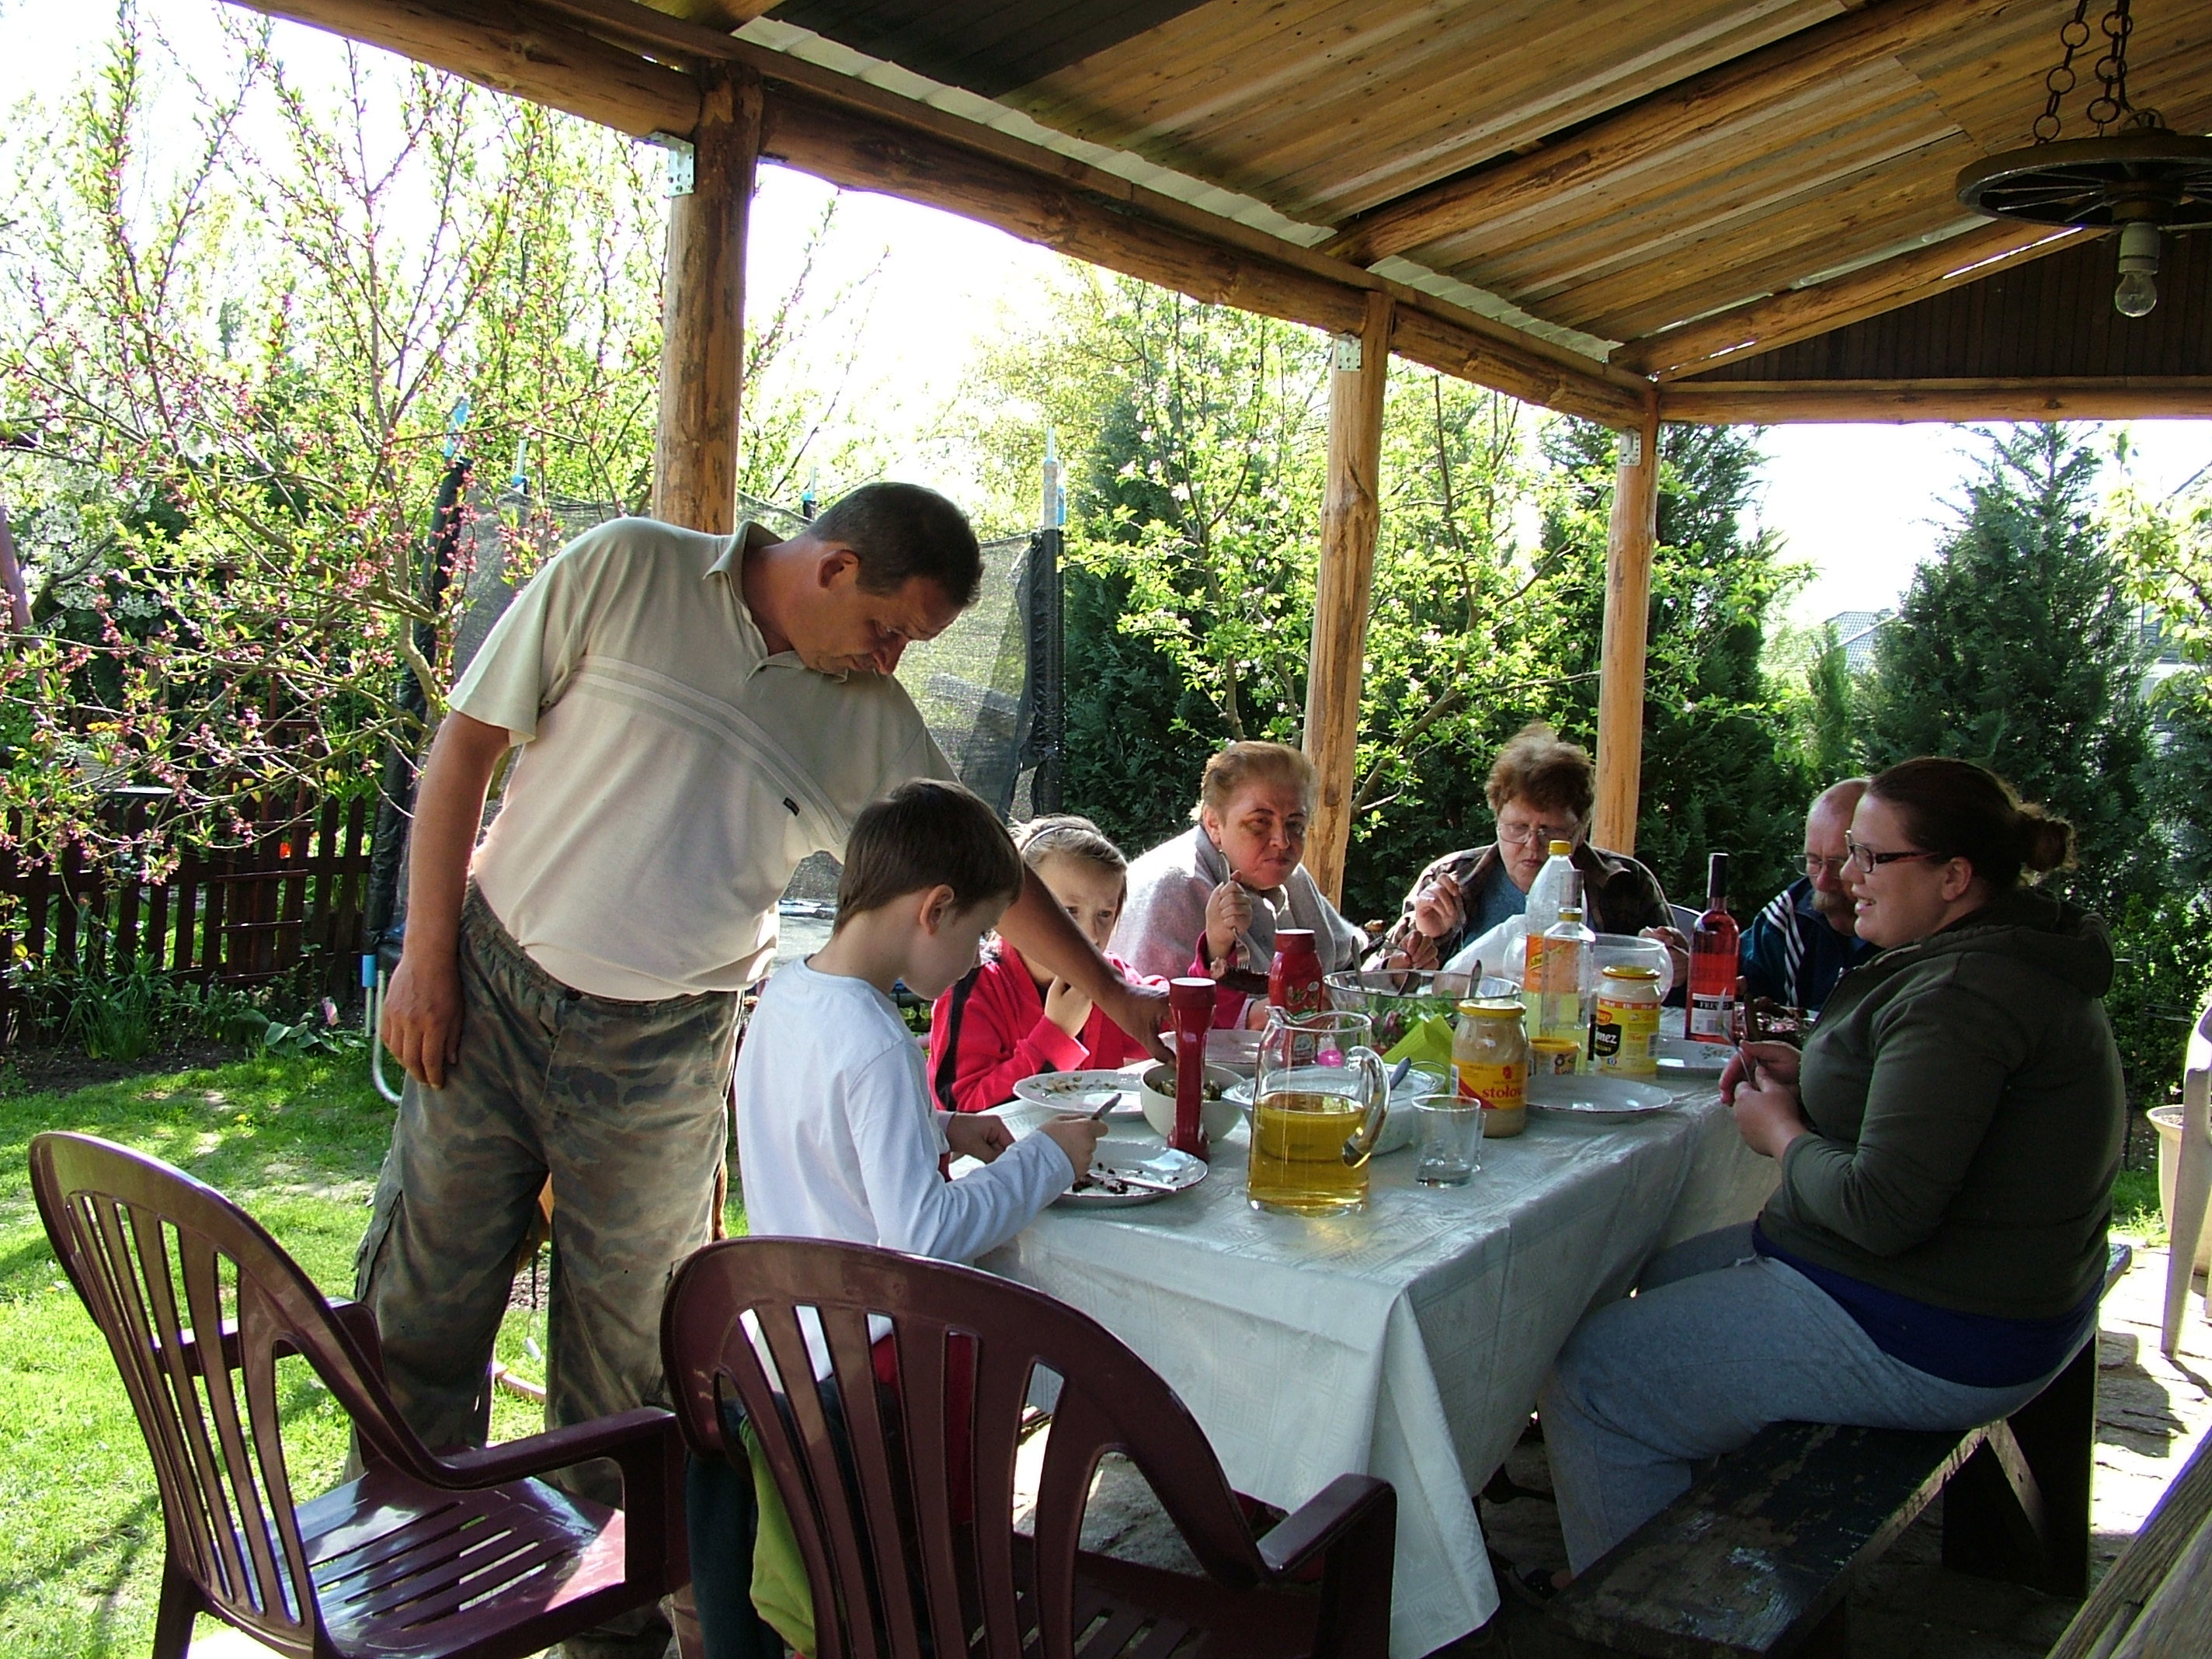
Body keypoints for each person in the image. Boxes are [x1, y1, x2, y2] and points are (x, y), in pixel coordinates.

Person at [363, 485, 1160, 1659]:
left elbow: (991, 867)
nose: (892, 662)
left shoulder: (868, 720)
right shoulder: (626, 568)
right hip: (490, 992)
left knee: (623, 1371)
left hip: (662, 1050)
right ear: (833, 567)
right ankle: (400, 1613)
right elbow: (467, 747)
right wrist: (426, 954)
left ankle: (605, 1641)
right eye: (890, 629)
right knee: (420, 1320)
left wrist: (1114, 994)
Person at [1532, 757, 2123, 1587]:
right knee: (1659, 1275)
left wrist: (1781, 1134)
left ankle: (1656, 1610)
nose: (1847, 877)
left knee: (1591, 1379)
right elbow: (1941, 1103)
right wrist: (1814, 1069)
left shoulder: (1965, 993)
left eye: (1871, 857)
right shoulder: (2000, 950)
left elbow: (1881, 1210)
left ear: (1954, 877)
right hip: (1984, 1290)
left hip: (1946, 1327)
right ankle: (1679, 1520)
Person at [701, 780, 1109, 1657]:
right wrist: (1049, 1160)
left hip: (791, 1341)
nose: (976, 959)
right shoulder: (879, 1038)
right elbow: (920, 1238)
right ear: (935, 909)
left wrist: (942, 1124)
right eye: (978, 934)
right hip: (879, 1364)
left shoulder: (785, 997)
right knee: (911, 1571)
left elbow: (821, 1132)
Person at [1372, 723, 1675, 971]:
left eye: (1551, 831)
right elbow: (1377, 985)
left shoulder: (1626, 883)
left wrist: (1679, 970)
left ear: (1580, 831)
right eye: (1517, 828)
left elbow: (1671, 992)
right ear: (1497, 821)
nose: (1532, 844)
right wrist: (1425, 938)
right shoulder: (1449, 878)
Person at [1111, 741, 1365, 1025]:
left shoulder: (1290, 877)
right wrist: (1253, 1017)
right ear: (1214, 824)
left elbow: (1350, 964)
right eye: (1260, 822)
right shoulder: (1173, 885)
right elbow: (1152, 1016)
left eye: (1295, 824)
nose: (1282, 841)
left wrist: (1392, 968)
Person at [929, 815, 1157, 1112]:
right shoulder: (975, 986)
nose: (1090, 935)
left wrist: (1211, 957)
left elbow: (1181, 1030)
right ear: (1019, 910)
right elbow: (962, 1108)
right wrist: (1057, 1035)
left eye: (1105, 914)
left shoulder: (1114, 980)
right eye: (1068, 912)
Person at [1737, 777, 1879, 1015]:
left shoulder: (1909, 935)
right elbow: (1738, 983)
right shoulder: (1791, 915)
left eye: (1841, 863)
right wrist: (1686, 973)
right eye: (1814, 861)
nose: (1822, 882)